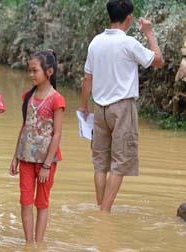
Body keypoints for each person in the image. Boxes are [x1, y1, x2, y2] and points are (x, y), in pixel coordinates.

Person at [78, 0, 165, 212]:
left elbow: (87, 79)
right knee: (120, 162)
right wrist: (149, 33)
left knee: (100, 162)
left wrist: (84, 107)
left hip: (100, 109)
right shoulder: (128, 43)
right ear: (129, 18)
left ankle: (101, 207)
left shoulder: (95, 42)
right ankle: (104, 213)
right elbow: (159, 61)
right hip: (123, 109)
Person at [10, 50, 66, 243]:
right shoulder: (28, 96)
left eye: (35, 70)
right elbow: (24, 127)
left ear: (49, 72)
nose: (31, 74)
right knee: (25, 202)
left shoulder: (57, 99)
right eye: (29, 71)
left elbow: (57, 134)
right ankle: (29, 244)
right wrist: (15, 156)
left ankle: (39, 243)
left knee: (41, 203)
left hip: (45, 162)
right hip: (25, 158)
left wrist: (47, 165)